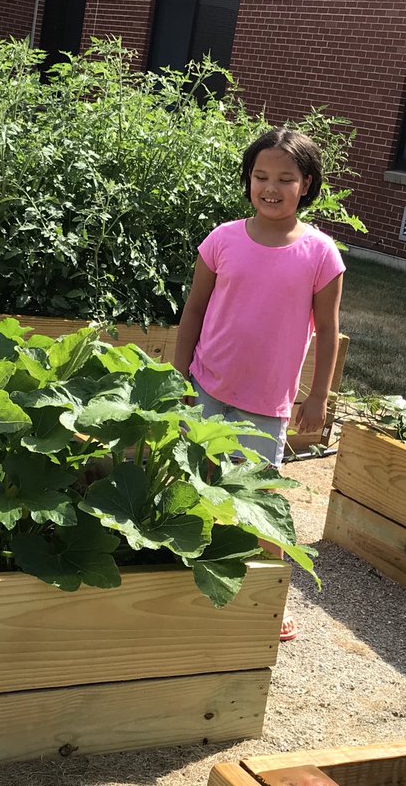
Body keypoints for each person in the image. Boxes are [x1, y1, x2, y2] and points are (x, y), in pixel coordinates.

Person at [173, 127, 345, 642]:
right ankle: (188, 582)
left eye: (285, 179)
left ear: (307, 185)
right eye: (261, 176)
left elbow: (329, 333)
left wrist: (317, 397)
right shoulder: (222, 239)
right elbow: (193, 313)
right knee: (192, 484)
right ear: (248, 180)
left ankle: (270, 598)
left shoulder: (321, 254)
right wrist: (178, 378)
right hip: (205, 386)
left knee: (261, 499)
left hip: (266, 404)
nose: (271, 187)